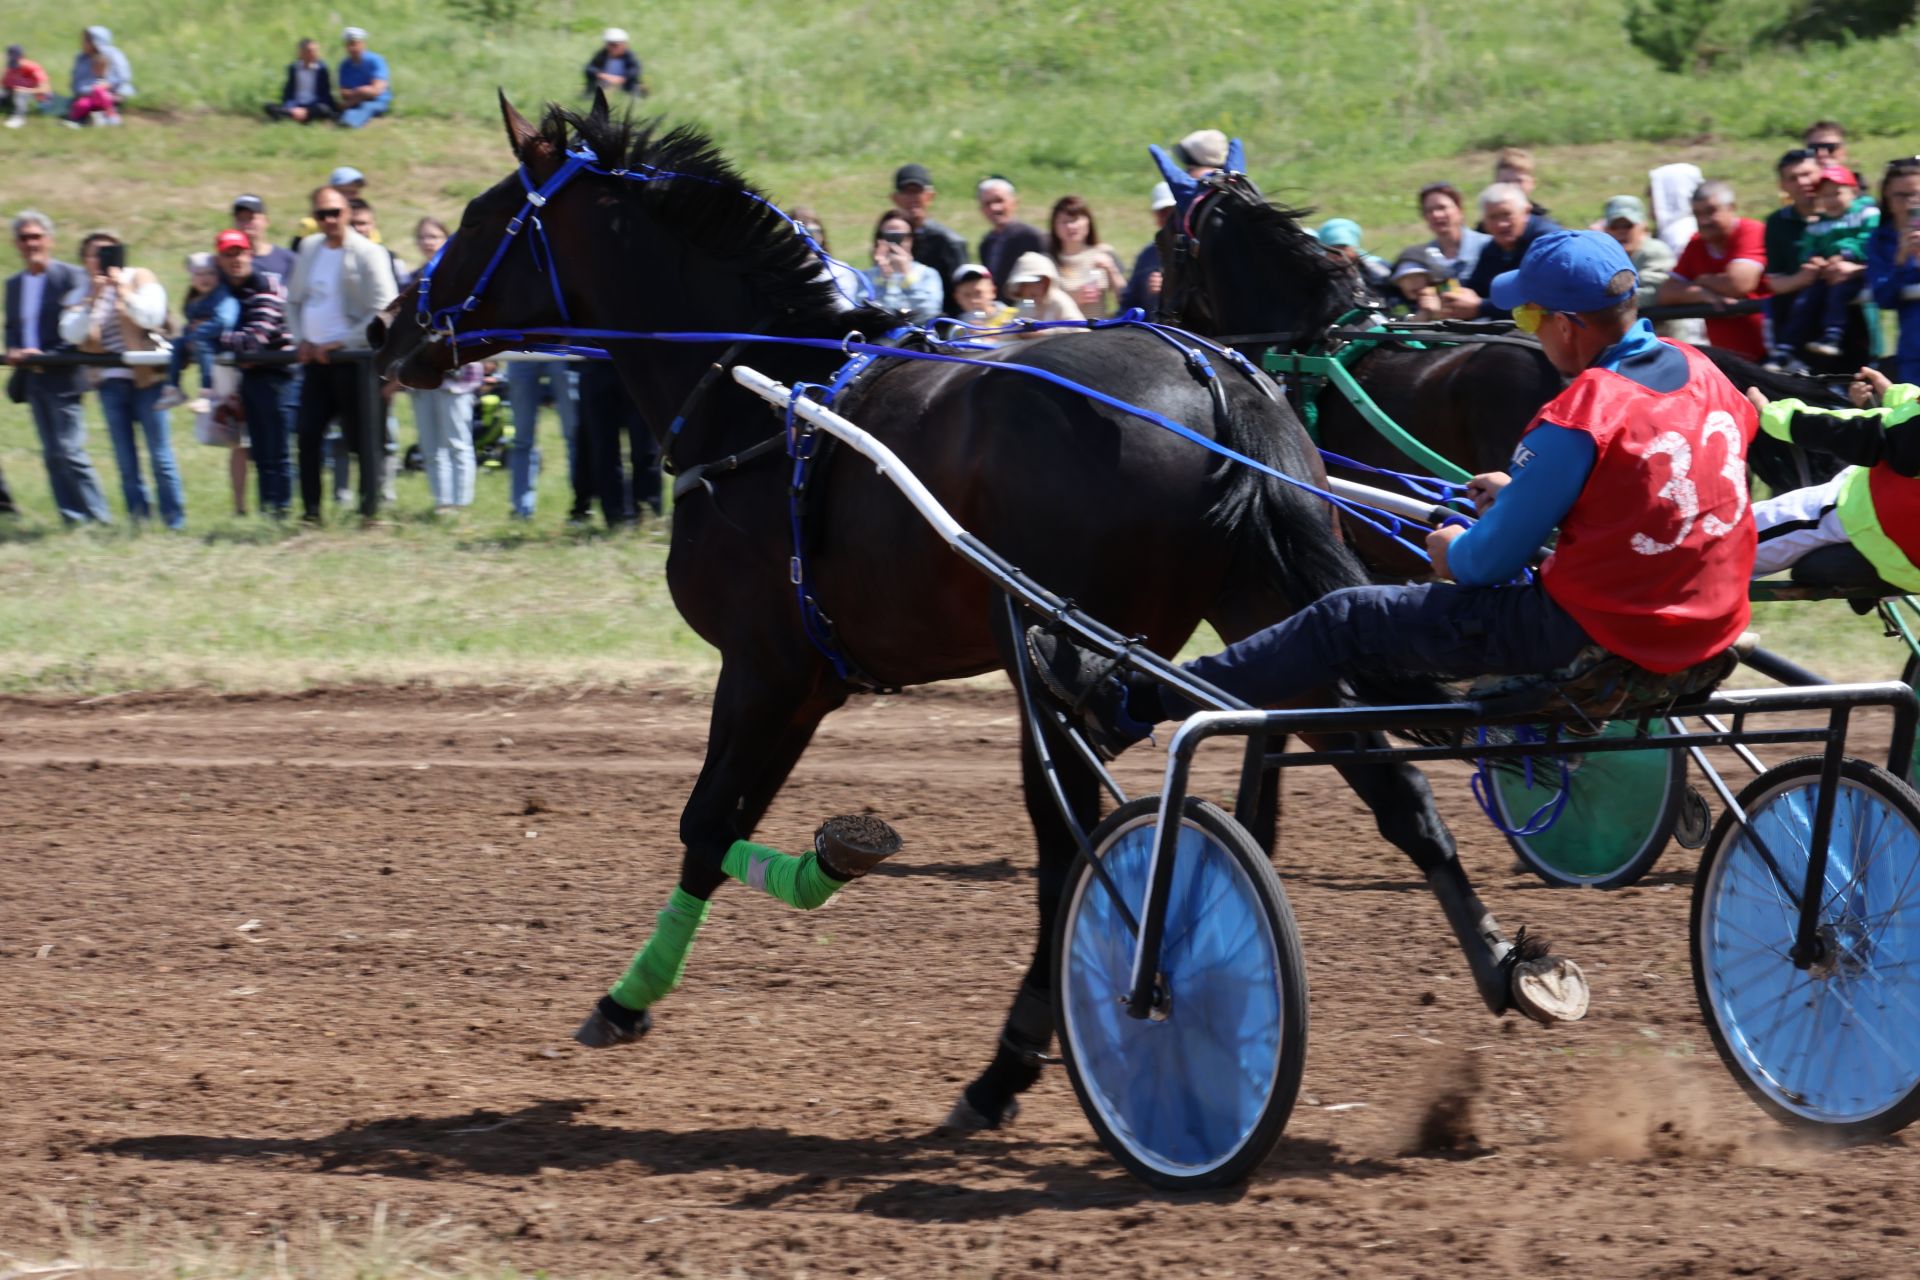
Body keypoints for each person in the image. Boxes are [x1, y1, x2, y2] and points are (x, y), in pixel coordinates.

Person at [1027, 229, 1757, 768]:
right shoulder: (1705, 374)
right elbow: (1668, 483)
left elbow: (1481, 566)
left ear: (1568, 325)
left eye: (1531, 321)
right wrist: (1536, 493)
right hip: (1709, 628)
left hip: (1584, 639)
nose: (1529, 336)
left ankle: (1130, 706)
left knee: (1344, 616)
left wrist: (1449, 549)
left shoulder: (1580, 415)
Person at [1746, 367, 1920, 588]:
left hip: (1873, 520)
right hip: (1903, 536)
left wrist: (1773, 416)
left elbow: (1853, 431)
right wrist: (1895, 394)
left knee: (1728, 542)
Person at [286, 184, 397, 522]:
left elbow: (385, 309)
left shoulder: (368, 253)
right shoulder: (309, 248)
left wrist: (341, 341)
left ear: (348, 212)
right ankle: (311, 513)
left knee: (362, 440)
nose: (329, 219)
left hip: (355, 360)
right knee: (307, 435)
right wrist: (301, 339)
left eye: (335, 212)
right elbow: (293, 301)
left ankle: (369, 512)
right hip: (315, 362)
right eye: (322, 213)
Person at [59, 232, 184, 528]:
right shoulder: (81, 293)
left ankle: (173, 522)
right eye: (94, 253)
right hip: (111, 383)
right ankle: (139, 522)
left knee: (160, 456)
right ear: (85, 260)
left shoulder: (139, 278)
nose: (101, 258)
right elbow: (71, 334)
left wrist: (123, 291)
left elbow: (152, 317)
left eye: (108, 251)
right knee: (126, 461)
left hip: (148, 379)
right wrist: (93, 297)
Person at [6, 210, 110, 523]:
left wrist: (48, 353)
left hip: (64, 375)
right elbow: (13, 325)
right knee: (51, 454)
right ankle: (72, 517)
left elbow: (80, 327)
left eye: (36, 236)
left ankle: (98, 517)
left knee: (71, 452)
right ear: (16, 244)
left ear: (49, 240)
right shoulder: (13, 284)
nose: (30, 243)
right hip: (33, 378)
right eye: (24, 238)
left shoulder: (70, 276)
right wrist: (13, 348)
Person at [215, 229, 294, 518]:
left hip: (278, 375)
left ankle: (280, 510)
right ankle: (267, 511)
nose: (235, 259)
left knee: (277, 450)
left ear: (250, 253)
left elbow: (255, 340)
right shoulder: (227, 291)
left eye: (240, 252)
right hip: (251, 378)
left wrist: (214, 338)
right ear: (220, 259)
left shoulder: (265, 284)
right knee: (260, 452)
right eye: (228, 254)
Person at [1773, 165, 1878, 362]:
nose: (1832, 200)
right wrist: (1813, 258)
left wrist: (1845, 254)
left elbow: (1869, 241)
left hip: (1858, 272)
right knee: (1805, 300)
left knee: (1837, 294)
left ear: (1854, 191)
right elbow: (1808, 246)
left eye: (1837, 193)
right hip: (1829, 271)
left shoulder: (1867, 214)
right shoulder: (1819, 223)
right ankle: (1787, 345)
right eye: (1825, 196)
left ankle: (1833, 335)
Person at [1657, 180, 1771, 361]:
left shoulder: (1752, 231)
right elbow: (1666, 293)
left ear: (1731, 208)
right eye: (1697, 214)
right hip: (1730, 361)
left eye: (1711, 212)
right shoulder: (1696, 243)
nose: (1703, 220)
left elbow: (1738, 284)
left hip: (1770, 353)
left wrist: (1702, 279)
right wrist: (1702, 293)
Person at [1448, 184, 1564, 320]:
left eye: (1506, 215)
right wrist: (1453, 299)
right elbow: (1476, 288)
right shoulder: (1493, 248)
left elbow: (1541, 300)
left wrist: (1481, 307)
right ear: (1484, 222)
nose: (1501, 224)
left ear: (1526, 212)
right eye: (1493, 217)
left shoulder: (1548, 243)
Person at [1391, 182, 1493, 320]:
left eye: (1442, 207)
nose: (1436, 215)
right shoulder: (1421, 257)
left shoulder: (1488, 246)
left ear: (1459, 209)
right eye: (1429, 210)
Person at [578, 359, 659, 526]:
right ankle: (614, 516)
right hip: (595, 365)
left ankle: (647, 511)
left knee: (645, 447)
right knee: (602, 448)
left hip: (638, 364)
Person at [156, 251, 237, 413]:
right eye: (199, 274)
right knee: (178, 344)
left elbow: (224, 322)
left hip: (219, 341)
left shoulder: (223, 296)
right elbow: (190, 324)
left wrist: (197, 333)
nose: (205, 278)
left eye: (210, 273)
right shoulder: (194, 298)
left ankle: (207, 393)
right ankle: (172, 388)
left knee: (201, 344)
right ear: (191, 278)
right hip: (197, 339)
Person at [1761, 149, 1823, 355]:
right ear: (1783, 186)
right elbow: (1774, 282)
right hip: (1798, 327)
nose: (1802, 182)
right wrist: (1804, 278)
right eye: (1793, 178)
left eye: (1807, 174)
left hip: (1851, 321)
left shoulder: (1853, 214)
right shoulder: (1777, 223)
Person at [506, 353, 581, 520]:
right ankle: (521, 509)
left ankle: (581, 505)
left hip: (560, 348)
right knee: (521, 440)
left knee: (574, 435)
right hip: (521, 351)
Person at [889, 163, 967, 315]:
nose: (912, 198)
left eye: (917, 191)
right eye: (906, 192)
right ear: (895, 198)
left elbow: (962, 293)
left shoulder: (949, 242)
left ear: (930, 196)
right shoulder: (888, 237)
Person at [1869, 157, 1920, 384]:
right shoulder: (1879, 240)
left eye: (1916, 194)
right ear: (1887, 197)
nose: (1910, 203)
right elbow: (1883, 298)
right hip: (1913, 352)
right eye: (1901, 195)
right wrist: (1899, 260)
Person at [1048, 195, 1127, 320]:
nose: (1070, 227)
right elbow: (1036, 304)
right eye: (1064, 222)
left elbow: (1126, 299)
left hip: (1099, 331)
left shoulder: (1104, 252)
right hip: (1063, 332)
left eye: (1075, 220)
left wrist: (1112, 270)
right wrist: (1073, 298)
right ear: (1054, 227)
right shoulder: (1047, 261)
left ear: (1088, 222)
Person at [1599, 195, 1676, 318]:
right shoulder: (1604, 257)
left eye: (1628, 225)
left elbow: (1656, 293)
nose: (1621, 231)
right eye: (1615, 226)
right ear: (1606, 230)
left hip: (1663, 332)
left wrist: (1605, 302)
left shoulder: (1655, 252)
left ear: (1643, 227)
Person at [864, 210, 943, 324]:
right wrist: (883, 278)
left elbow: (929, 312)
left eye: (899, 236)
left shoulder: (928, 274)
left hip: (915, 338)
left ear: (911, 240)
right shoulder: (866, 276)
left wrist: (907, 277)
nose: (893, 243)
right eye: (887, 236)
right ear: (878, 240)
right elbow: (861, 311)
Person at [976, 178, 1045, 291]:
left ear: (1014, 202)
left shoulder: (1032, 237)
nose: (994, 208)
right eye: (987, 203)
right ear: (982, 209)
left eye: (999, 201)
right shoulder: (987, 243)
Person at [1120, 182, 1176, 316]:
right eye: (1161, 212)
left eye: (1171, 211)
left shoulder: (1197, 251)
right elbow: (1129, 302)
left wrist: (1169, 286)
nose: (1166, 217)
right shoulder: (1147, 255)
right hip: (1151, 333)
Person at [1316, 218, 1394, 301]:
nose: (1339, 254)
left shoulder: (1377, 268)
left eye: (1343, 247)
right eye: (1332, 249)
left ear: (1354, 247)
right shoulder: (1317, 273)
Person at [65, 27, 130, 126]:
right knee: (81, 105)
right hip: (86, 95)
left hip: (109, 94)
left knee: (100, 93)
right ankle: (76, 120)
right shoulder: (81, 58)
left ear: (95, 42)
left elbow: (122, 76)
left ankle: (110, 115)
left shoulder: (113, 55)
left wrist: (109, 84)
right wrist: (81, 91)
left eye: (86, 41)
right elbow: (76, 78)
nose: (82, 43)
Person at [1004, 251, 1085, 328]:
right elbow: (1012, 329)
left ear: (1047, 282)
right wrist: (1019, 332)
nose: (1028, 289)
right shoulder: (1026, 304)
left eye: (1035, 283)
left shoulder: (1059, 301)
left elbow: (1079, 327)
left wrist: (1045, 332)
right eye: (1024, 284)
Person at [266, 38, 335, 123]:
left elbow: (325, 95)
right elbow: (288, 92)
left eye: (316, 51)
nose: (315, 54)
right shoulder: (293, 68)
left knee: (323, 109)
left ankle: (290, 116)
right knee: (268, 105)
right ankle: (294, 115)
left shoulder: (322, 69)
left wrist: (305, 110)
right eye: (310, 51)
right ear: (301, 53)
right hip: (296, 104)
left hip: (313, 105)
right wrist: (293, 108)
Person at [230, 194, 295, 285]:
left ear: (266, 221)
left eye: (251, 218)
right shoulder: (227, 261)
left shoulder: (288, 259)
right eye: (241, 219)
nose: (246, 224)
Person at [334, 27, 390, 129]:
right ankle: (346, 119)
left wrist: (356, 95)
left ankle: (349, 122)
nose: (352, 48)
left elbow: (376, 90)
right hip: (354, 101)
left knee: (366, 107)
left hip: (377, 101)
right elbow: (344, 92)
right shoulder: (345, 65)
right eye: (349, 45)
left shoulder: (376, 61)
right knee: (353, 108)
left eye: (355, 44)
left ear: (363, 44)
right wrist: (361, 93)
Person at [951, 263, 1017, 333]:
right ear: (957, 298)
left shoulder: (1014, 317)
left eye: (979, 293)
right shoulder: (957, 326)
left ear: (993, 291)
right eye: (967, 295)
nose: (973, 300)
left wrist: (987, 332)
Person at [1491, 146, 1550, 220]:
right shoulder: (1488, 224)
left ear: (1533, 183)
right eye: (1505, 182)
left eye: (1519, 181)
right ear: (1495, 185)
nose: (1512, 186)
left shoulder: (1543, 223)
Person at [4, 44, 55, 127]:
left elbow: (45, 89)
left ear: (23, 57)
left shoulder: (33, 68)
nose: (14, 66)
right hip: (17, 95)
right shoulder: (10, 68)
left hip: (39, 99)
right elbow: (6, 87)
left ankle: (19, 117)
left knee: (21, 94)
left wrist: (25, 90)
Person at [1804, 119, 1865, 189]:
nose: (1822, 153)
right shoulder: (1794, 189)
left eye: (1830, 147)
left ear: (1844, 151)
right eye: (1814, 148)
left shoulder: (1859, 188)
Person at [583, 28, 643, 97]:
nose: (612, 47)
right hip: (603, 84)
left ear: (624, 45)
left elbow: (635, 70)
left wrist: (622, 79)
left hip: (624, 85)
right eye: (610, 44)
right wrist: (603, 76)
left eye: (615, 45)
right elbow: (589, 69)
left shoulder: (630, 56)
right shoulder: (601, 55)